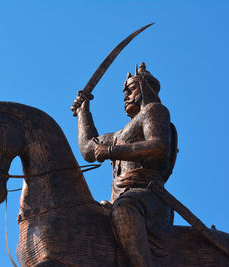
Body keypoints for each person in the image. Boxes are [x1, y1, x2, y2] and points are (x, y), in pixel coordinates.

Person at [73, 62, 177, 267]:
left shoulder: (154, 111)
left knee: (123, 211)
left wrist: (111, 151)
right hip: (120, 199)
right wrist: (83, 112)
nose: (125, 96)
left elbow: (159, 146)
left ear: (145, 88)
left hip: (148, 198)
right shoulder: (119, 135)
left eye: (130, 90)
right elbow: (88, 150)